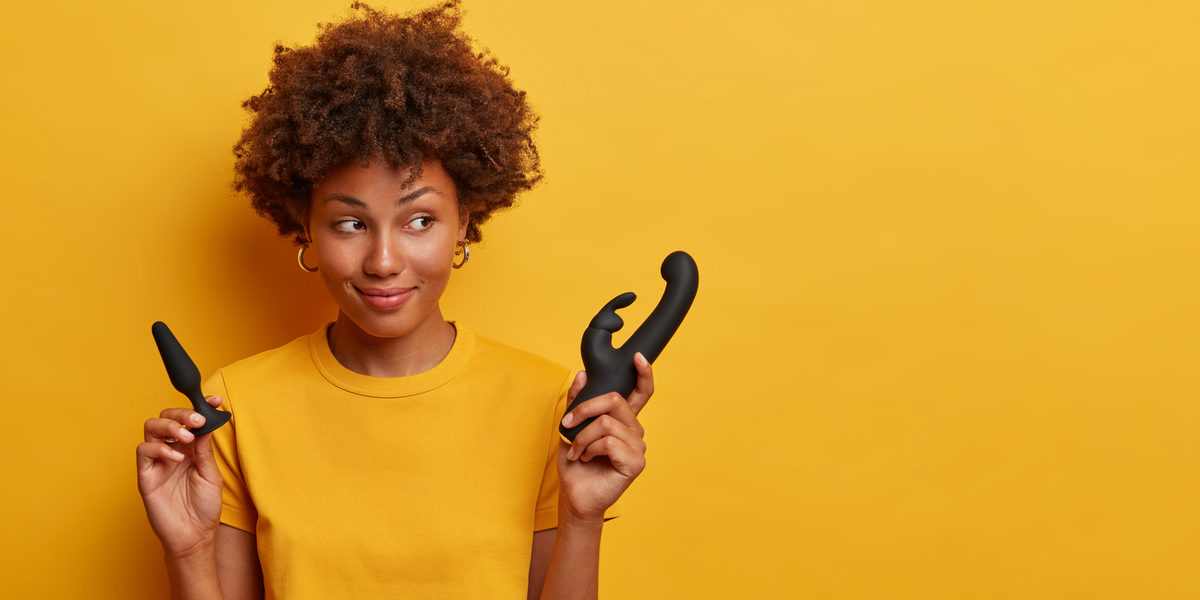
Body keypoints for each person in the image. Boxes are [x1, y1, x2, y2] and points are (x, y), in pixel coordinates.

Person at [134, 2, 652, 598]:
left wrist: (582, 521)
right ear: (305, 226)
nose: (383, 262)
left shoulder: (552, 407)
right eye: (350, 224)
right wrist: (188, 551)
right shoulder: (235, 412)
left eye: (420, 220)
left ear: (465, 221)